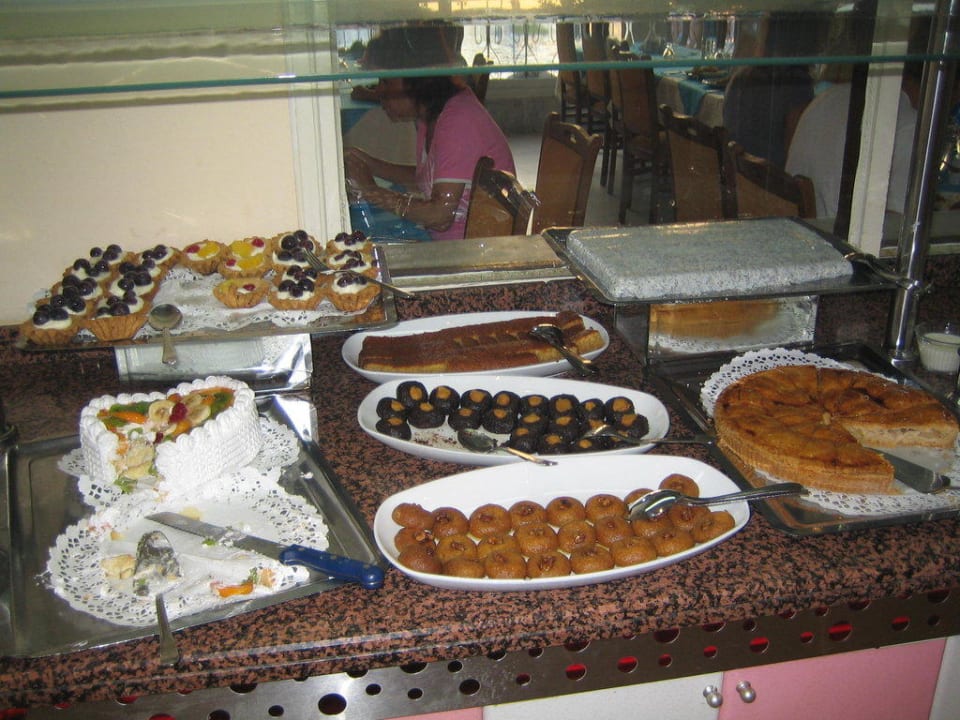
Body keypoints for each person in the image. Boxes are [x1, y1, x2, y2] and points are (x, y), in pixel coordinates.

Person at [343, 25, 516, 241]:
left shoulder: (458, 120)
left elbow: (440, 216)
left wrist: (372, 192)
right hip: (455, 244)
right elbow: (425, 178)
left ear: (416, 80)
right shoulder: (433, 115)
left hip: (469, 250)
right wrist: (367, 163)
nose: (379, 91)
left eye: (386, 81)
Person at [785, 16, 930, 219]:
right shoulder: (908, 126)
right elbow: (896, 225)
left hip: (805, 229)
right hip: (836, 235)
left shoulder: (827, 98)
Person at [721, 13, 828, 168]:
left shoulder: (740, 77)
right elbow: (795, 156)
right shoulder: (797, 84)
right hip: (768, 179)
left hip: (738, 176)